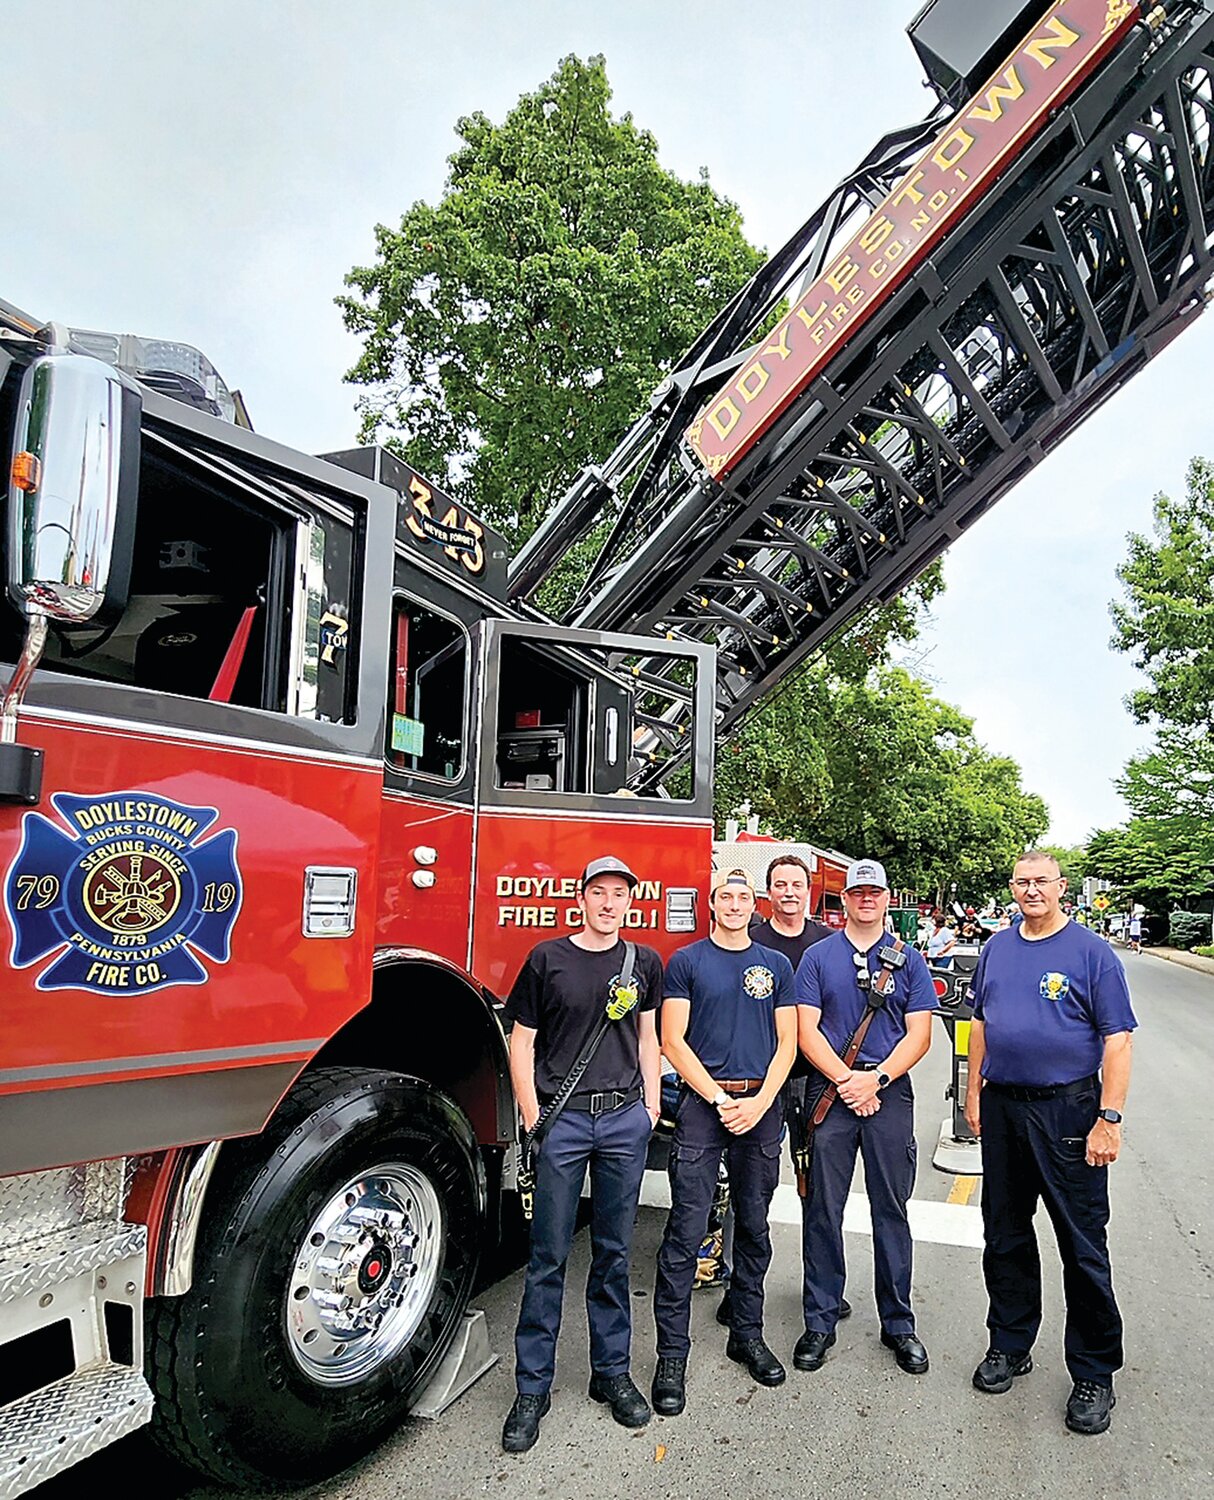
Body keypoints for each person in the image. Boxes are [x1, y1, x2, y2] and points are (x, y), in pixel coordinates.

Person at [964, 850, 1136, 1437]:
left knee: (1082, 1243)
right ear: (1011, 888)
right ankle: (1010, 1343)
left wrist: (1108, 1118)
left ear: (1062, 887)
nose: (1031, 890)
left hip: (1070, 1110)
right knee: (1005, 1234)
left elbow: (1117, 1040)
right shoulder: (996, 947)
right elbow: (980, 1024)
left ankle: (1093, 1372)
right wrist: (972, 1095)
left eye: (1042, 881)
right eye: (1021, 881)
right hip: (1005, 1106)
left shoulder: (1091, 953)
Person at [502, 856, 663, 1453]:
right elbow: (522, 1044)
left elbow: (650, 1037)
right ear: (582, 898)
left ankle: (611, 1375)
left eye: (619, 894)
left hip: (623, 1120)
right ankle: (532, 1388)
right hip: (562, 1123)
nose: (608, 903)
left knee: (614, 1255)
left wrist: (648, 1108)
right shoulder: (548, 959)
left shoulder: (643, 962)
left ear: (629, 902)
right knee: (546, 1257)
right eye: (598, 892)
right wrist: (531, 1115)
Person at [651, 868, 797, 1416]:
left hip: (761, 1106)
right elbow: (672, 1040)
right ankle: (671, 1354)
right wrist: (717, 1098)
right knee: (686, 1228)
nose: (734, 905)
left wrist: (760, 1103)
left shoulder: (777, 965)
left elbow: (789, 1043)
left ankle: (747, 1332)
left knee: (755, 1227)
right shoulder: (687, 962)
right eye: (725, 897)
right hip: (702, 1106)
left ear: (752, 906)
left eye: (742, 897)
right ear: (711, 905)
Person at [793, 857, 935, 1375]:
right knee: (823, 1209)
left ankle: (899, 1323)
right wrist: (846, 1082)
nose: (866, 899)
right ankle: (820, 1320)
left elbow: (920, 1034)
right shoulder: (816, 957)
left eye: (874, 892)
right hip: (830, 1093)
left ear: (885, 898)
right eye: (857, 892)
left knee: (890, 1210)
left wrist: (873, 1081)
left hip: (888, 1092)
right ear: (845, 900)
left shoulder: (910, 960)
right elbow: (806, 1031)